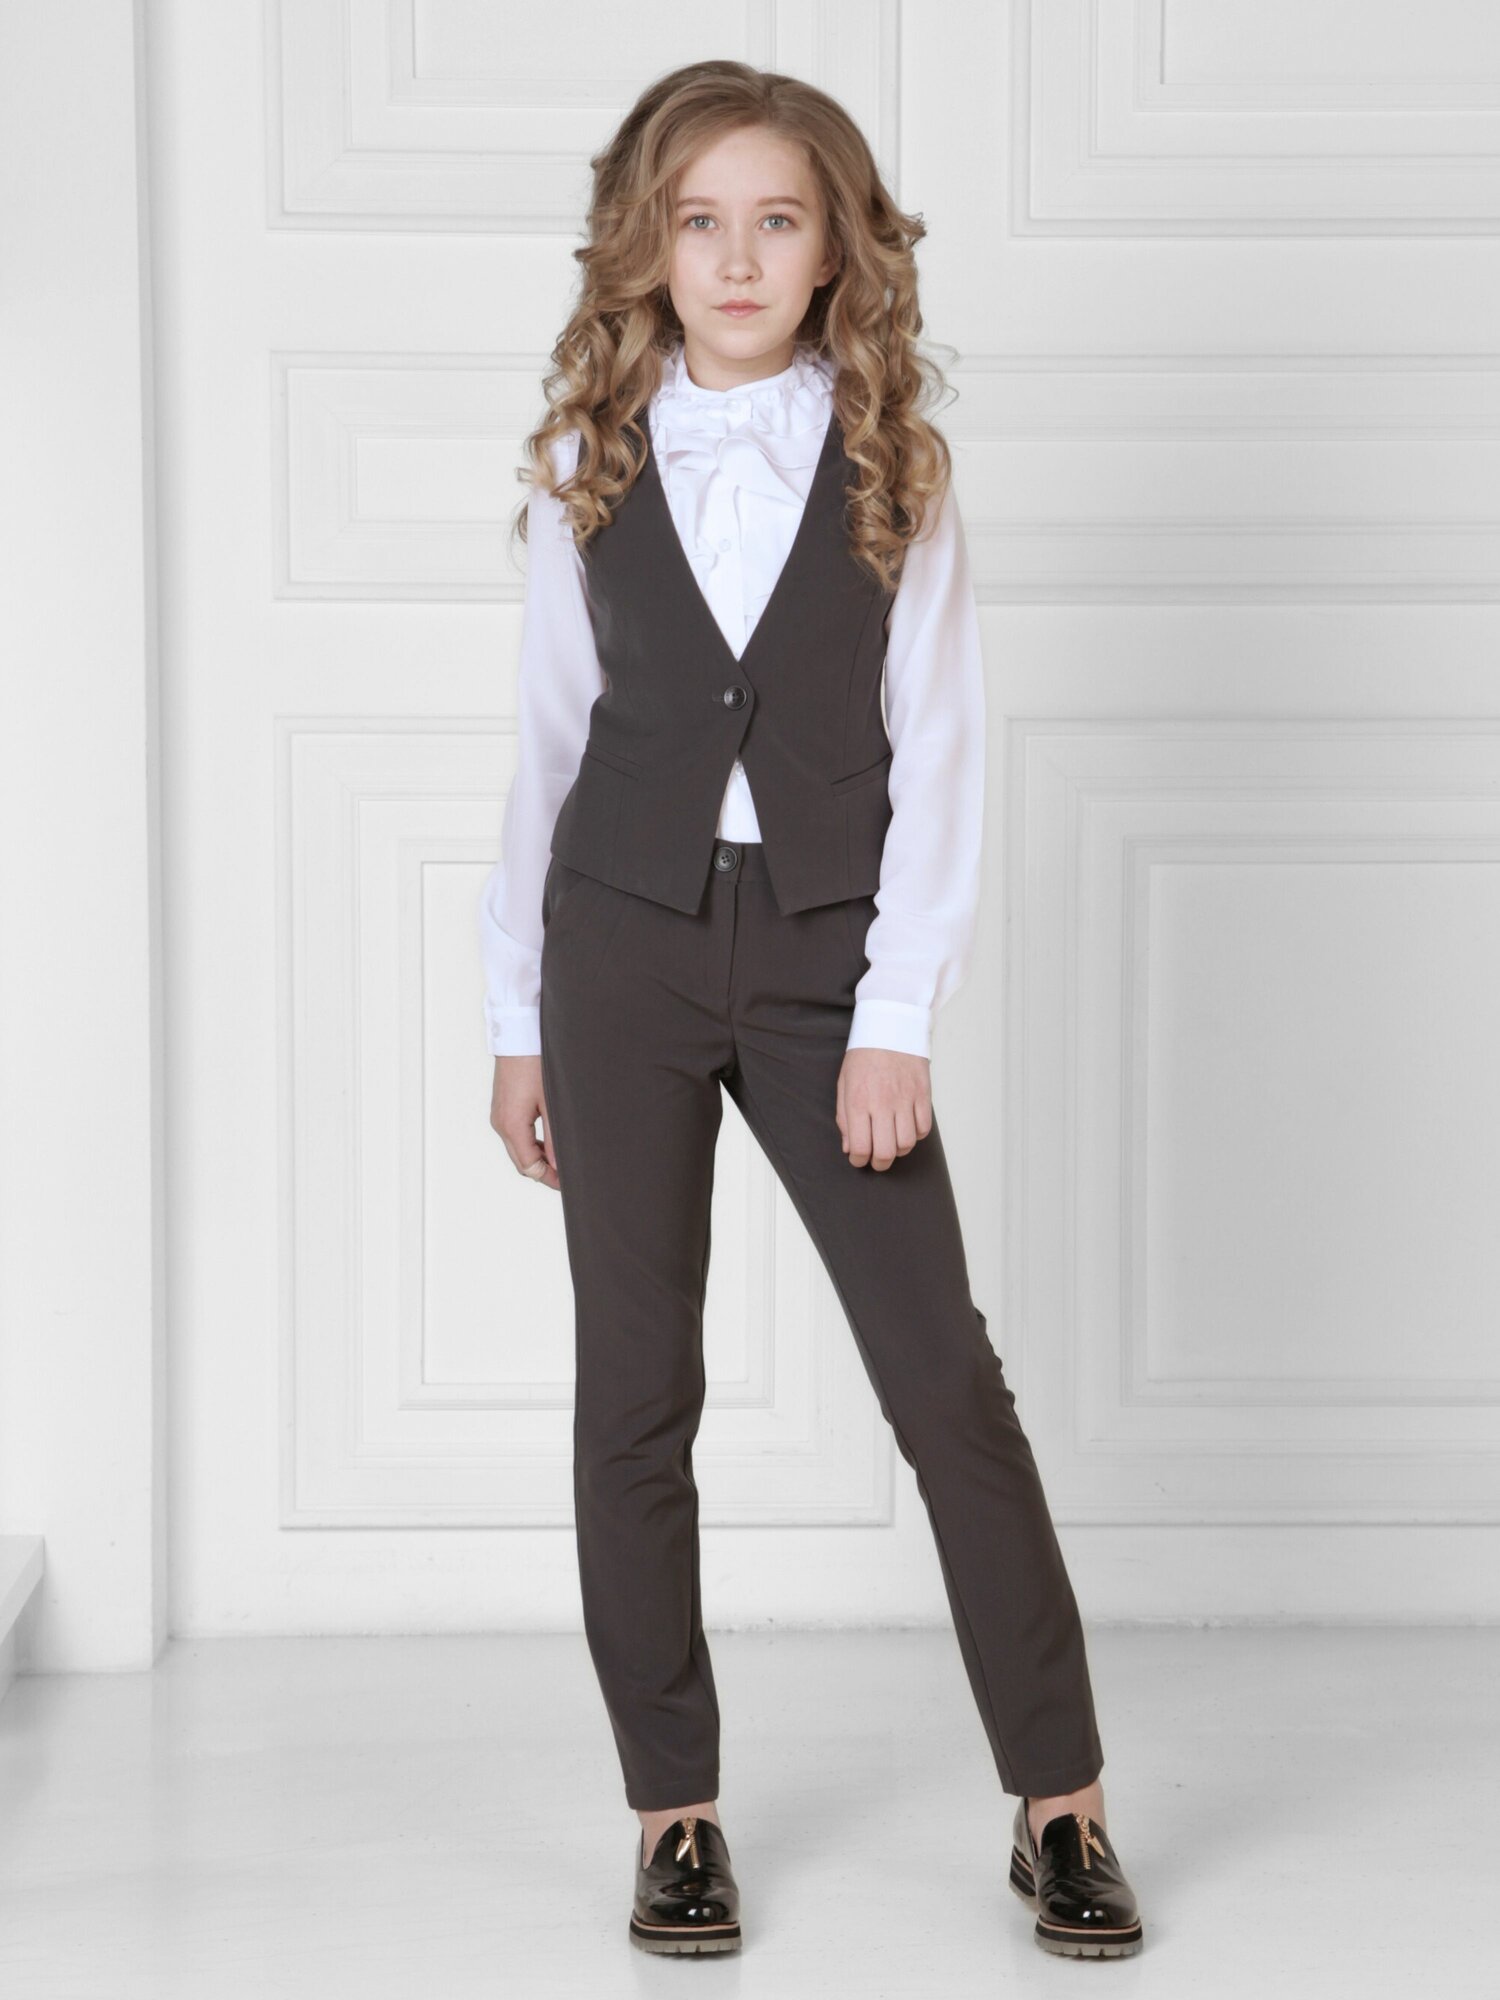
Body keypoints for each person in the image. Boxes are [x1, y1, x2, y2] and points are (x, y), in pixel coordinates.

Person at [477, 59, 1144, 1961]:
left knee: (944, 1381)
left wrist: (894, 1013)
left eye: (778, 220)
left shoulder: (893, 469)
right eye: (699, 222)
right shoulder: (585, 463)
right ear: (647, 246)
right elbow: (546, 753)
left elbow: (943, 754)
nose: (738, 257)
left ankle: (1063, 1804)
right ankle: (673, 1814)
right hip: (616, 952)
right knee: (637, 1389)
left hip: (827, 962)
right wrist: (516, 1015)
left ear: (838, 246)